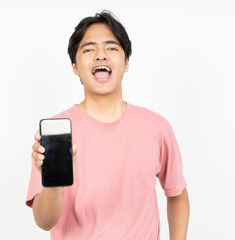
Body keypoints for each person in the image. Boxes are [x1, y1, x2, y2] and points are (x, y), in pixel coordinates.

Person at [27, 10, 190, 240]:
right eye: (89, 49)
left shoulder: (157, 127)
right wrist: (53, 181)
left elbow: (177, 194)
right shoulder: (54, 135)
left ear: (126, 63)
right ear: (74, 66)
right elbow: (44, 222)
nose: (101, 55)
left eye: (112, 48)